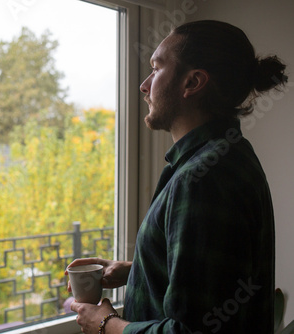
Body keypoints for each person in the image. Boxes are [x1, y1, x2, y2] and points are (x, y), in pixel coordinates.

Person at [65, 20, 288, 334]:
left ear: (192, 82)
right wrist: (138, 269)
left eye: (157, 68)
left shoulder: (201, 180)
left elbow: (190, 332)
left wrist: (105, 324)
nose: (145, 85)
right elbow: (217, 281)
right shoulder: (229, 154)